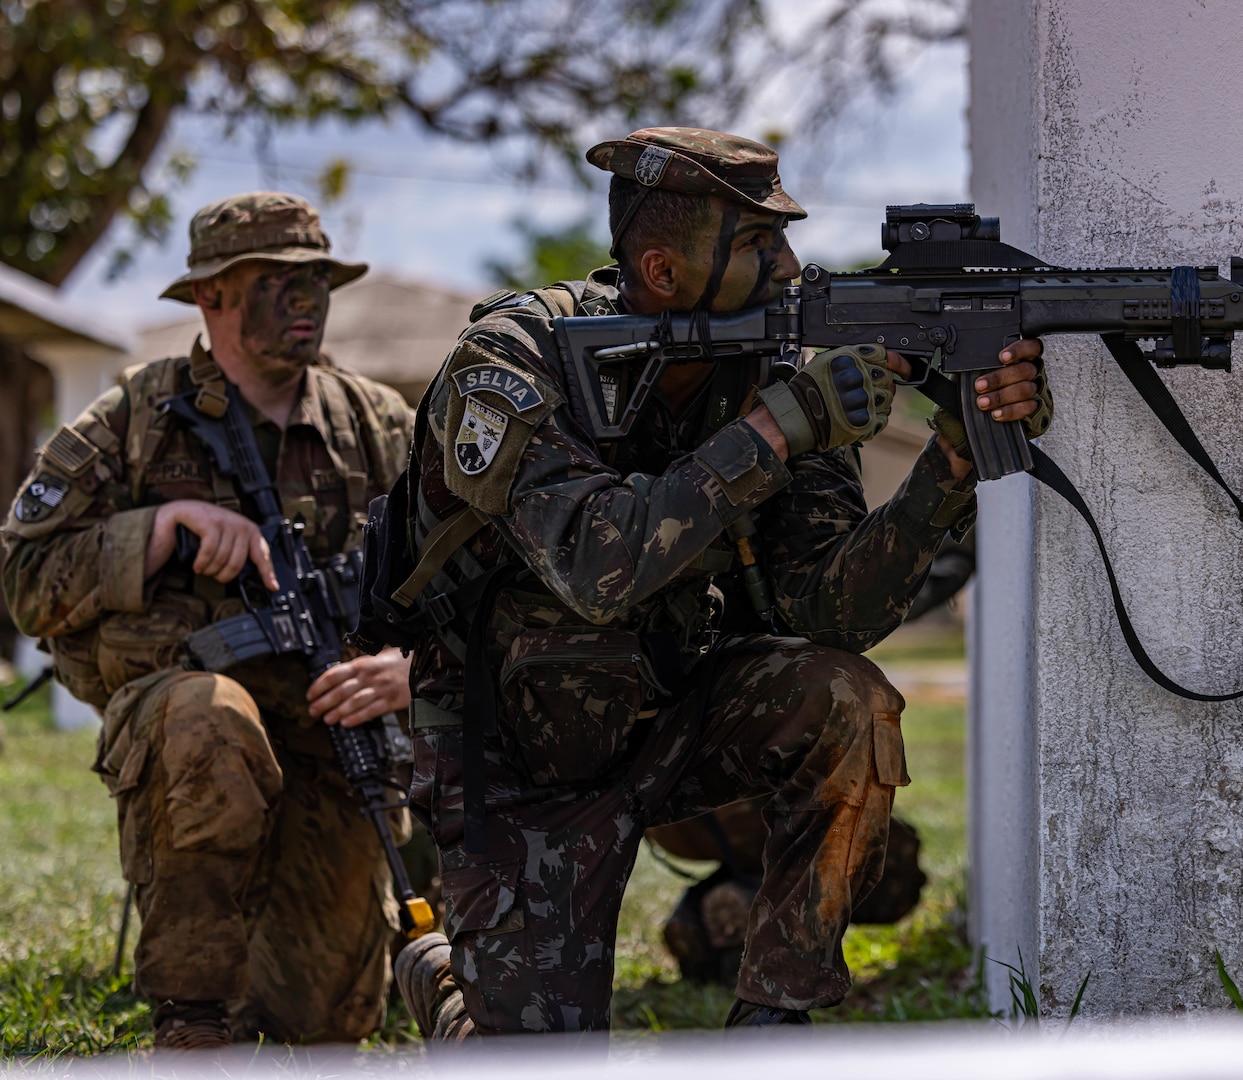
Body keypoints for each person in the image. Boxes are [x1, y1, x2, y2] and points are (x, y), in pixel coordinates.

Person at [387, 127, 1049, 1036]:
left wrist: (949, 464)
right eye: (756, 245)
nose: (789, 267)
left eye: (783, 237)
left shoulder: (769, 365)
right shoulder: (512, 362)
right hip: (511, 757)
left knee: (846, 699)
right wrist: (777, 432)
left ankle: (774, 1026)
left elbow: (824, 609)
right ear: (660, 270)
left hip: (669, 717)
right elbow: (594, 566)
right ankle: (442, 981)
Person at [1, 193, 416, 1048]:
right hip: (185, 725)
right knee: (209, 716)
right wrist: (155, 530)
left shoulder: (376, 426)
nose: (305, 302)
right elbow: (24, 576)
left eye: (317, 283)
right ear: (210, 297)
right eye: (276, 282)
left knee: (322, 1025)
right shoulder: (132, 421)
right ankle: (190, 1027)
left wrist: (412, 662)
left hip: (337, 733)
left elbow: (476, 572)